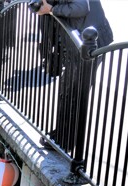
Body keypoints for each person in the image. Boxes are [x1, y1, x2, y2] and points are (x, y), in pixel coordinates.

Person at [35, 0, 114, 150]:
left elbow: (81, 7)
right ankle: (65, 136)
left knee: (72, 90)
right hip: (87, 40)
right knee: (75, 90)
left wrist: (51, 9)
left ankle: (64, 140)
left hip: (87, 43)